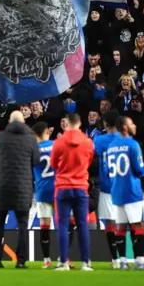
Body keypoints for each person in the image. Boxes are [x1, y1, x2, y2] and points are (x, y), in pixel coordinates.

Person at [106, 116, 144, 271]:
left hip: (116, 191)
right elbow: (139, 169)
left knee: (120, 226)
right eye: (131, 123)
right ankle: (140, 262)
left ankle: (123, 261)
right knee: (139, 224)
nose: (134, 125)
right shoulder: (133, 144)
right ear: (125, 127)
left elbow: (109, 170)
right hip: (132, 190)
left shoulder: (111, 146)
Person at [0, 111, 39, 269]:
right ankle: (21, 260)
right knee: (22, 224)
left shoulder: (0, 137)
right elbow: (36, 160)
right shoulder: (31, 138)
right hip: (23, 186)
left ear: (10, 121)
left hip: (1, 185)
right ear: (23, 121)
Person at [51, 113, 94, 271]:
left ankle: (63, 262)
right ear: (80, 123)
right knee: (82, 224)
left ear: (67, 124)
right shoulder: (88, 142)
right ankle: (86, 263)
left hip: (63, 187)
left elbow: (54, 164)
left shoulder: (59, 142)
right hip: (81, 186)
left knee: (62, 225)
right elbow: (88, 162)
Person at [92, 111, 120, 269]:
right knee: (125, 222)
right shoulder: (126, 140)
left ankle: (115, 259)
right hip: (125, 186)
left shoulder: (100, 140)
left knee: (110, 223)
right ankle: (129, 258)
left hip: (107, 187)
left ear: (105, 124)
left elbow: (90, 156)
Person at [31, 121, 55, 268]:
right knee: (63, 224)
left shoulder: (33, 149)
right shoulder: (56, 144)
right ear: (47, 131)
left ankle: (46, 260)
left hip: (42, 189)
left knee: (44, 225)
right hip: (59, 188)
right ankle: (65, 258)